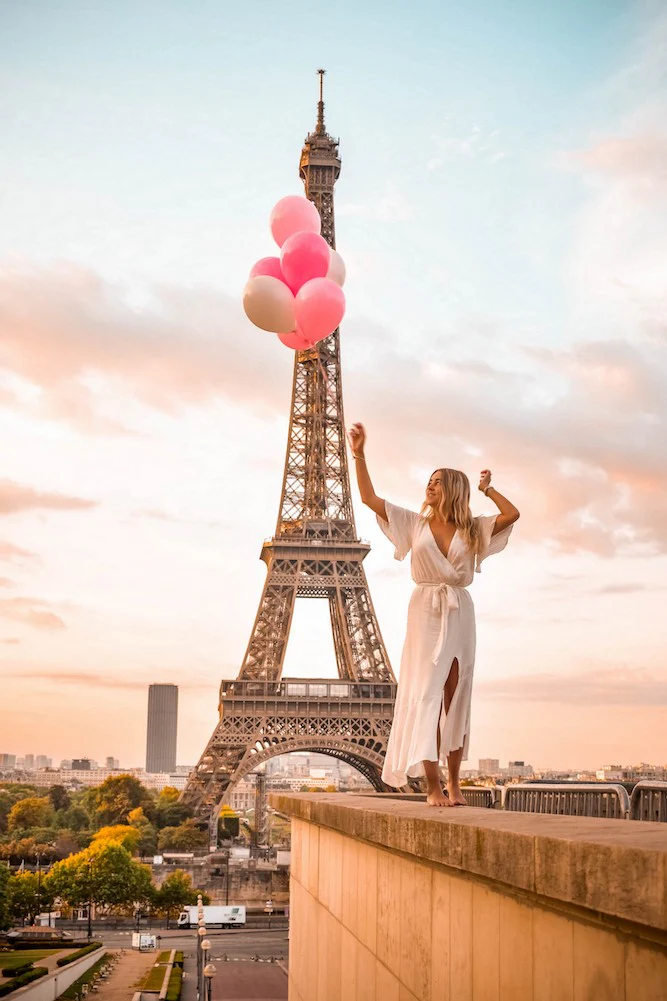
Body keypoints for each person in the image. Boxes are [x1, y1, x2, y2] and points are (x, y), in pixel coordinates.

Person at [347, 422, 519, 807]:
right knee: (425, 696)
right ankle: (432, 786)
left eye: (438, 482)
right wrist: (358, 453)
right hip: (425, 609)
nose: (430, 486)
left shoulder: (474, 529)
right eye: (429, 480)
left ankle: (455, 784)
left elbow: (513, 513)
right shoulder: (414, 523)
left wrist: (488, 490)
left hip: (458, 611)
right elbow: (369, 498)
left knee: (454, 698)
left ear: (454, 489)